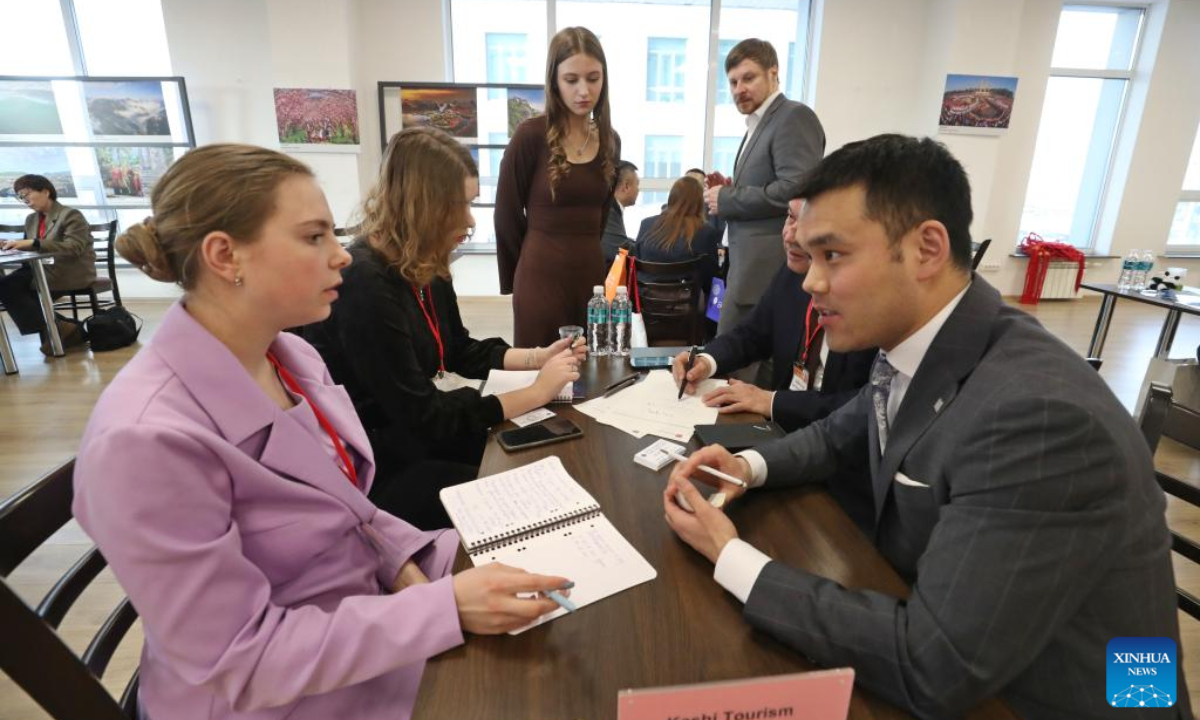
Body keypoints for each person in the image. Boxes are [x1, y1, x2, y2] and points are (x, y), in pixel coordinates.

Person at [664, 134, 1187, 719]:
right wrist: (747, 465)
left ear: (927, 248)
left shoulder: (1039, 419)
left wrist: (732, 556)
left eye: (832, 255)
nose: (810, 282)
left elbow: (932, 665)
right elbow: (843, 430)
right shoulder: (925, 345)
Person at [74, 143, 570, 720]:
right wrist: (440, 609)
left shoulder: (290, 357)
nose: (341, 257)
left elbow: (352, 512)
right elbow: (238, 660)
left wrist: (417, 578)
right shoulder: (143, 443)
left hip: (352, 624)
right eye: (314, 238)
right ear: (225, 256)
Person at [304, 127, 584, 530]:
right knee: (523, 494)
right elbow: (426, 418)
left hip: (414, 439)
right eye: (461, 205)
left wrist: (538, 357)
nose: (470, 220)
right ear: (425, 206)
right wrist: (536, 391)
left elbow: (457, 349)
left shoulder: (425, 263)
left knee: (541, 461)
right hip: (377, 465)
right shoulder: (363, 283)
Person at [671, 195, 876, 530]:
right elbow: (751, 334)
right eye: (789, 218)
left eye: (804, 224)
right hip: (780, 444)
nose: (791, 235)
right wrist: (706, 361)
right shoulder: (792, 273)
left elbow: (861, 409)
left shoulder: (866, 303)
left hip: (838, 476)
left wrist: (772, 400)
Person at [496, 26, 621, 346]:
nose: (584, 91)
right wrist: (519, 277)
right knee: (539, 377)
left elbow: (603, 214)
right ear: (554, 80)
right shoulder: (530, 136)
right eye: (572, 80)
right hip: (540, 275)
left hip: (590, 276)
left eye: (593, 78)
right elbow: (506, 216)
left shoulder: (610, 140)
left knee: (591, 375)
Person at [703, 39, 824, 342]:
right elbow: (774, 186)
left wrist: (728, 198)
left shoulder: (793, 117)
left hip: (767, 271)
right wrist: (732, 188)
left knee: (741, 369)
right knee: (733, 364)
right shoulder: (758, 125)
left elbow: (796, 190)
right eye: (732, 82)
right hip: (748, 269)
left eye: (748, 78)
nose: (738, 89)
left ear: (774, 74)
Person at [0, 175, 94, 354]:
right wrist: (10, 246)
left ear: (45, 191)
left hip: (68, 270)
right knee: (6, 286)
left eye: (27, 193)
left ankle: (62, 328)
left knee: (10, 288)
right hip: (41, 270)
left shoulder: (71, 214)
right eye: (20, 197)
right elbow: (29, 248)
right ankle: (61, 327)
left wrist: (34, 243)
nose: (25, 200)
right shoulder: (31, 219)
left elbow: (74, 248)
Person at [632, 177, 720, 289]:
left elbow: (636, 266)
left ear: (671, 197)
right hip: (687, 303)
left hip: (646, 301)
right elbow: (710, 280)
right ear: (699, 202)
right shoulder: (706, 233)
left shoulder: (646, 224)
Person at [601, 160, 639, 265]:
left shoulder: (612, 208)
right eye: (637, 184)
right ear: (626, 187)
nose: (638, 190)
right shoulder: (609, 211)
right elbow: (620, 249)